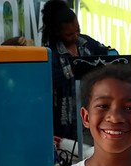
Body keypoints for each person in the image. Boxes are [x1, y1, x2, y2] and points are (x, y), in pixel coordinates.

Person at [41, 0, 115, 140]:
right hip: (65, 123)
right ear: (57, 32)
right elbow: (50, 82)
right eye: (69, 34)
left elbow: (107, 53)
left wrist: (112, 57)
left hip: (92, 118)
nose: (75, 36)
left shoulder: (87, 43)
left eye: (77, 31)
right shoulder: (52, 53)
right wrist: (75, 69)